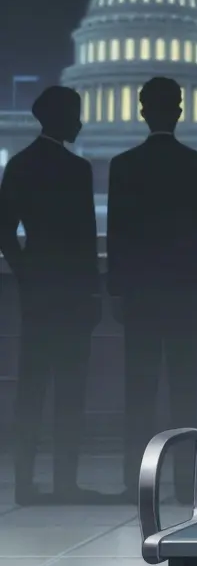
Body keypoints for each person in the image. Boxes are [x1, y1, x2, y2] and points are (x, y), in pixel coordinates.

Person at [107, 76, 197, 503]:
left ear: (142, 111)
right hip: (186, 298)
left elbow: (116, 234)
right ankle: (185, 485)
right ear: (179, 110)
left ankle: (135, 485)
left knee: (137, 390)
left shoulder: (123, 165)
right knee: (184, 394)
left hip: (139, 297)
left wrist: (117, 291)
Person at [0, 86, 102, 504]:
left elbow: (6, 231)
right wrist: (92, 292)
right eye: (76, 115)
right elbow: (84, 239)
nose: (80, 123)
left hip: (39, 293)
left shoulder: (20, 165)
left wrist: (28, 275)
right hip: (73, 293)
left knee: (32, 387)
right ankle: (65, 482)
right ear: (60, 118)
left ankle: (24, 483)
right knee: (70, 391)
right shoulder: (77, 169)